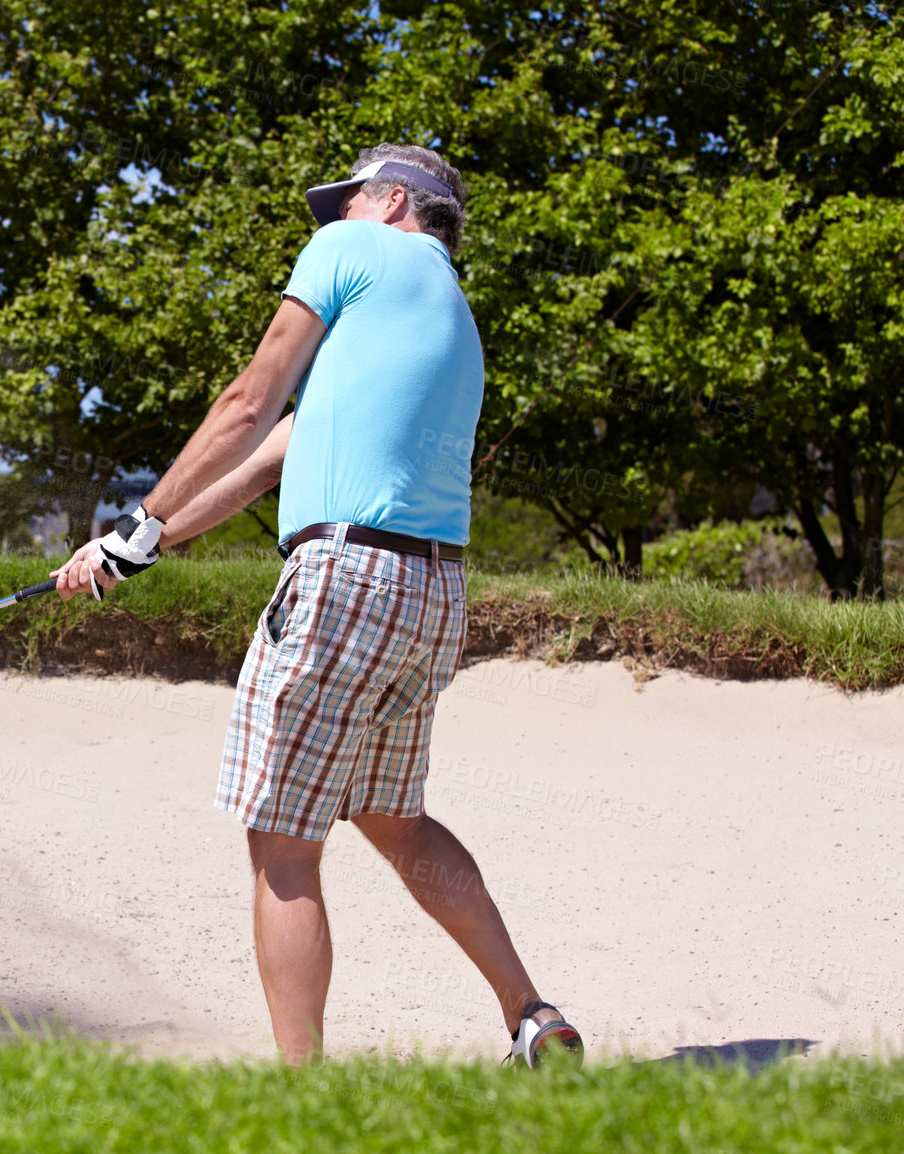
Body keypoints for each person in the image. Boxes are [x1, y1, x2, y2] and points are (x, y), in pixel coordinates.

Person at [52, 143, 584, 1069]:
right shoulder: (444, 316)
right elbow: (266, 462)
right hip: (430, 593)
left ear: (388, 202)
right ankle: (534, 1018)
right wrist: (139, 544)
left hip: (345, 584)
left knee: (285, 848)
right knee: (395, 819)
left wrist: (139, 516)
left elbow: (250, 400)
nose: (330, 222)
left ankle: (303, 1098)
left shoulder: (352, 252)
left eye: (344, 204)